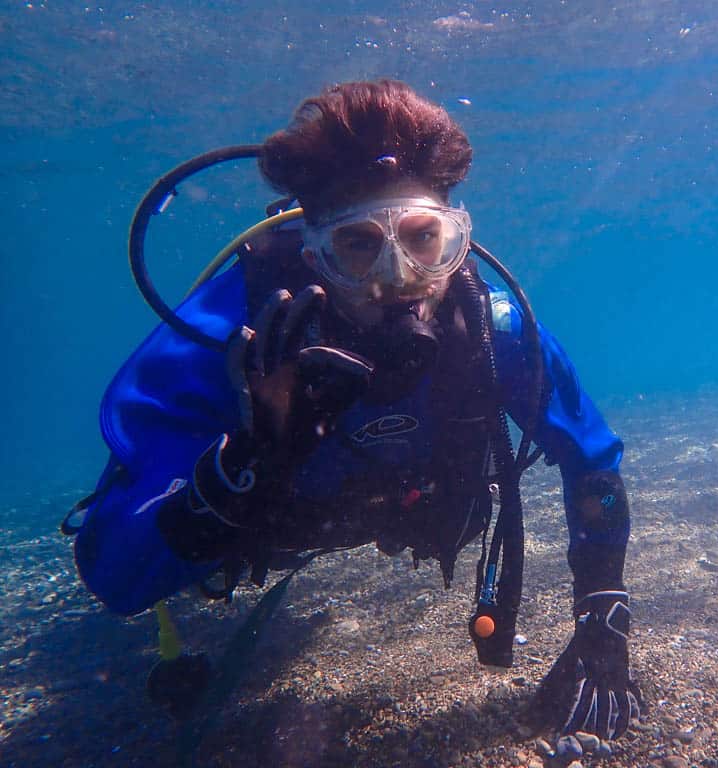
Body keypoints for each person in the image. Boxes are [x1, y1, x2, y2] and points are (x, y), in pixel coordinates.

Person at [68, 79, 639, 741]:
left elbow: (593, 463)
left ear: (455, 237)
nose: (398, 278)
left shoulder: (497, 333)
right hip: (280, 525)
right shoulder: (233, 340)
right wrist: (242, 467)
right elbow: (115, 578)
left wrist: (604, 618)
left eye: (423, 238)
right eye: (360, 244)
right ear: (314, 255)